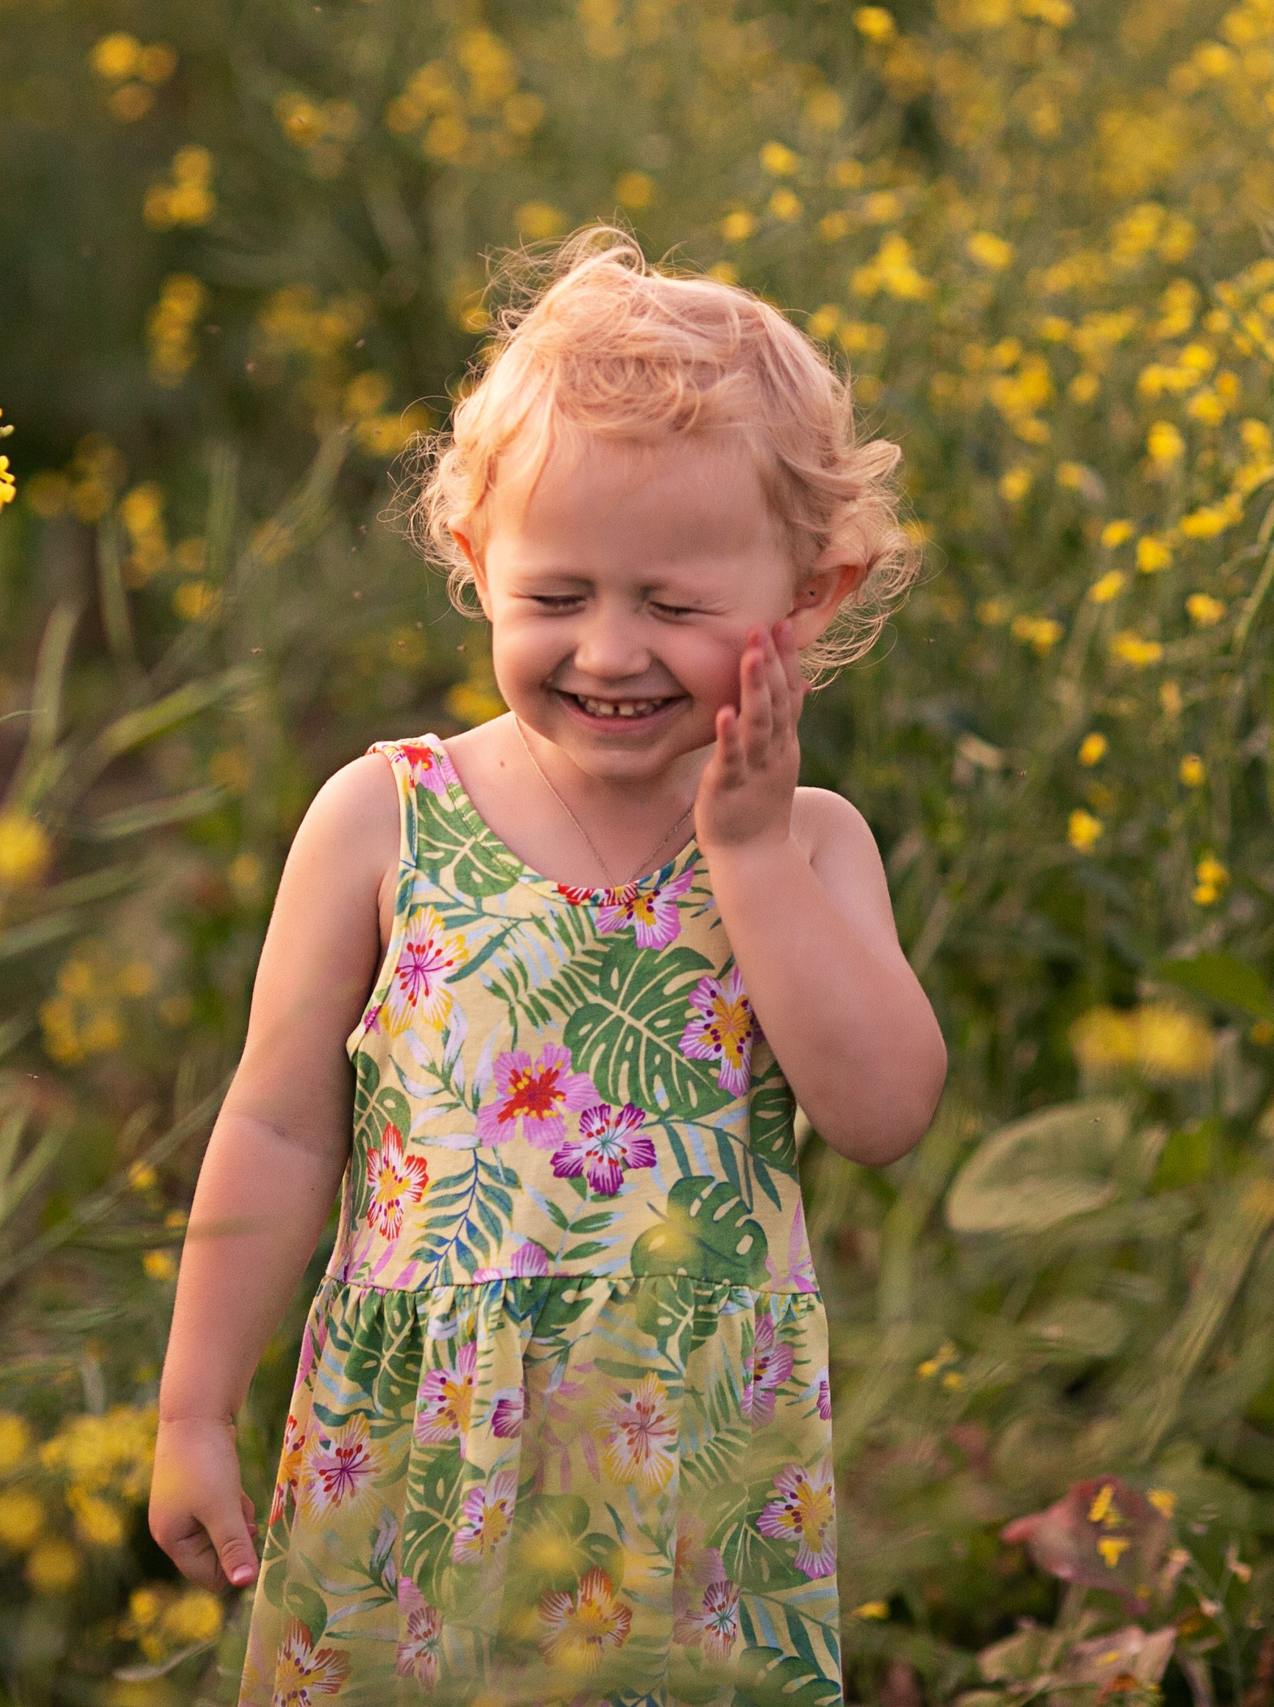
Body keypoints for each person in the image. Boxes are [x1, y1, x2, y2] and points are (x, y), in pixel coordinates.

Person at [149, 227, 947, 1706]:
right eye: (558, 594)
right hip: (412, 1448)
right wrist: (198, 1404)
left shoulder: (810, 850)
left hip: (684, 1469)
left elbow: (884, 1109)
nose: (612, 649)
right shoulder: (383, 818)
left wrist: (754, 857)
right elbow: (271, 1124)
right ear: (475, 562)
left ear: (813, 595)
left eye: (677, 605)